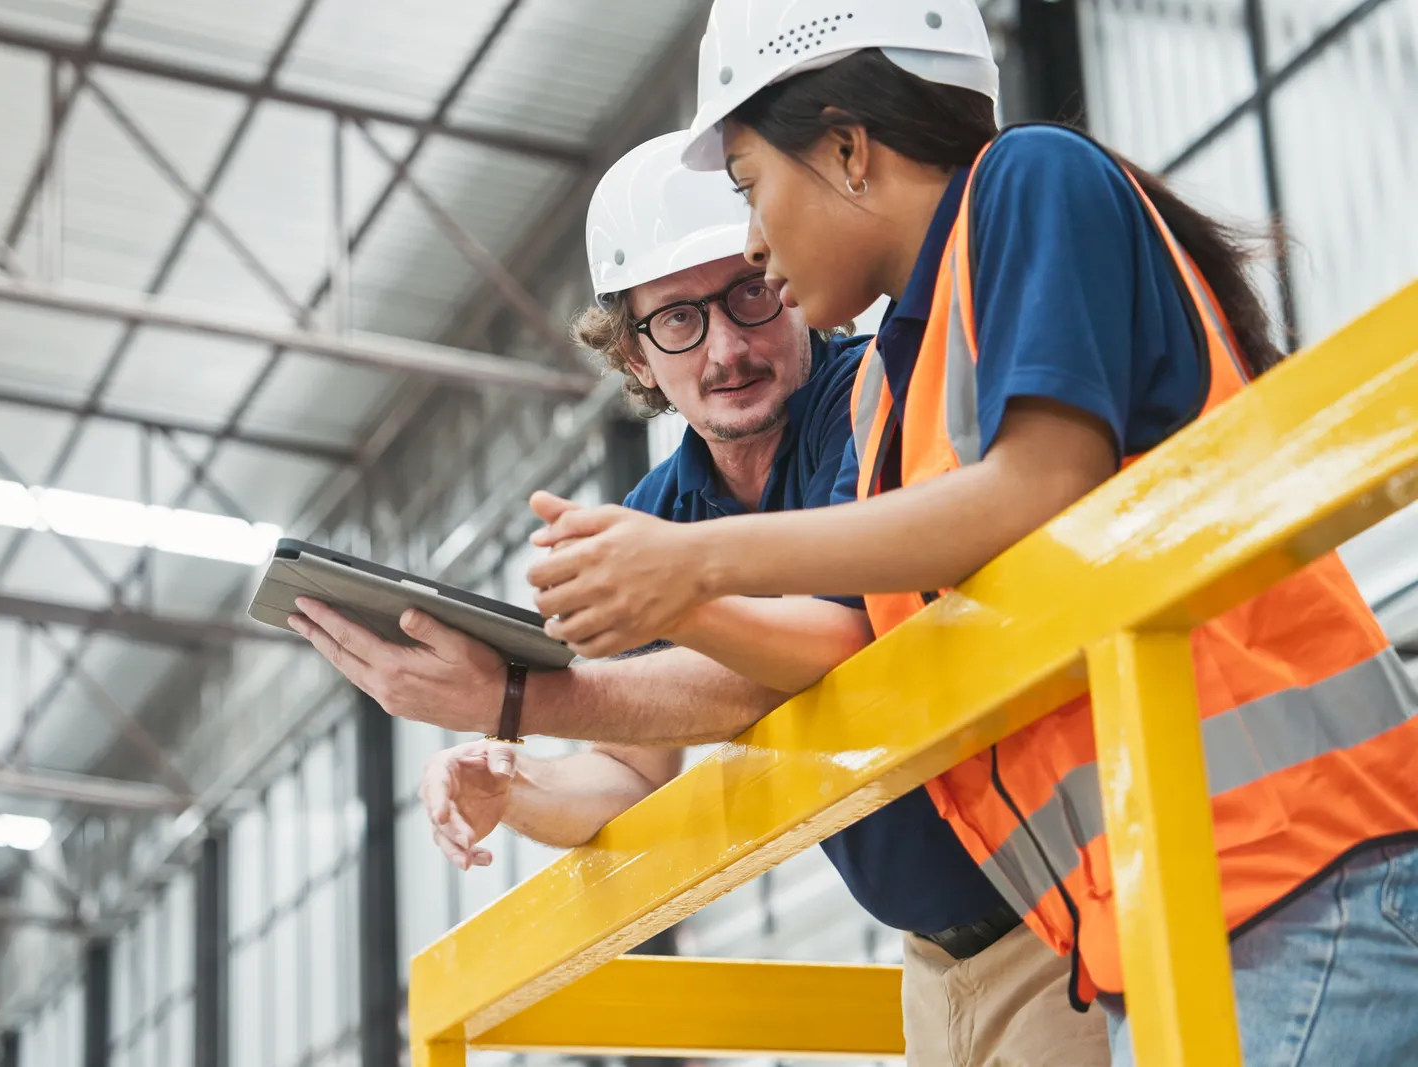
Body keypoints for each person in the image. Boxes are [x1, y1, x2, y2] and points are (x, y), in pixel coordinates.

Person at [523, 2, 1418, 1065]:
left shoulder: (1031, 179)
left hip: (1298, 867)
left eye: (753, 188)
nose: (756, 242)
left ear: (848, 148)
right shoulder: (893, 396)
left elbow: (1039, 486)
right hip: (1155, 917)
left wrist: (695, 569)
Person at [288, 130, 1111, 1067]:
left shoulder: (878, 402)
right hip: (935, 963)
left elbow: (838, 646)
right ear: (635, 357)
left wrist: (522, 692)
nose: (727, 347)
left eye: (748, 296)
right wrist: (513, 778)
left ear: (785, 270)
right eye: (678, 320)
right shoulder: (658, 514)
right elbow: (632, 770)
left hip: (1058, 916)